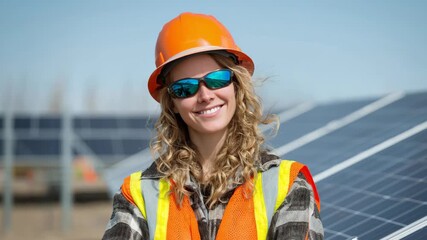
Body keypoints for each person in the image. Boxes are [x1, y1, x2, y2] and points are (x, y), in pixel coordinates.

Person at [103, 12, 323, 240]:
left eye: (217, 79)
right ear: (173, 103)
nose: (205, 95)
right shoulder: (138, 195)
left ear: (236, 86)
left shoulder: (287, 185)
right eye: (185, 87)